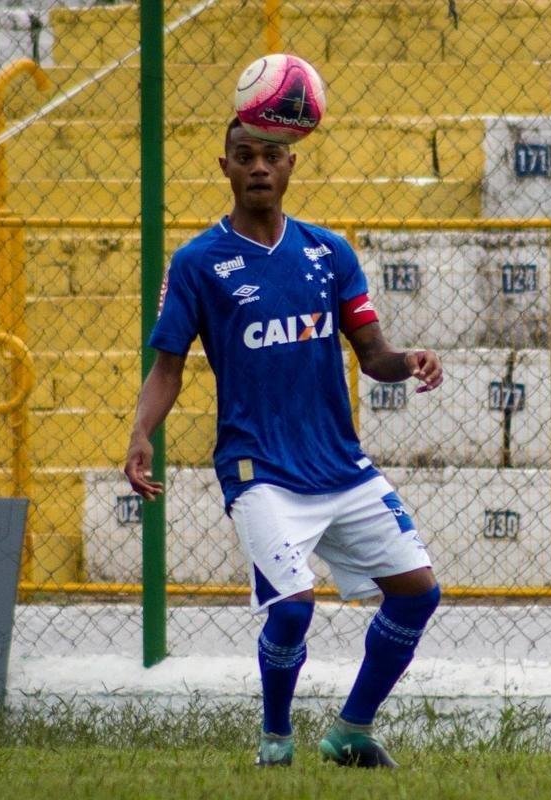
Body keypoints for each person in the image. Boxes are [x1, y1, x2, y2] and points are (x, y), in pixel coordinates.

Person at [124, 118, 444, 769]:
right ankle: (275, 740)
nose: (259, 168)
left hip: (339, 464)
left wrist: (408, 359)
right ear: (226, 167)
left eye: (271, 156)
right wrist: (140, 434)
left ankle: (351, 729)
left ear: (291, 164)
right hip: (258, 469)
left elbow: (372, 354)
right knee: (293, 608)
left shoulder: (330, 253)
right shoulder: (196, 264)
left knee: (419, 591)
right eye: (246, 157)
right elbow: (167, 367)